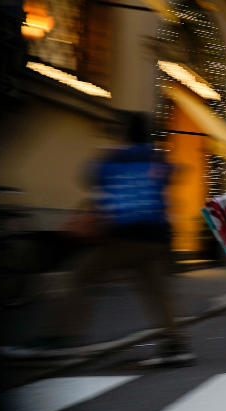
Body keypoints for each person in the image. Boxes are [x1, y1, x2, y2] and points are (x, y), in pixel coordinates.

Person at [40, 111, 195, 367]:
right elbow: (174, 172)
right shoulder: (157, 159)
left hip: (127, 234)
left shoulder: (112, 160)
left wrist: (108, 156)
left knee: (80, 276)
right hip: (157, 237)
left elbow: (89, 176)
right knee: (157, 291)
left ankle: (56, 338)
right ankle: (176, 345)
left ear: (125, 133)